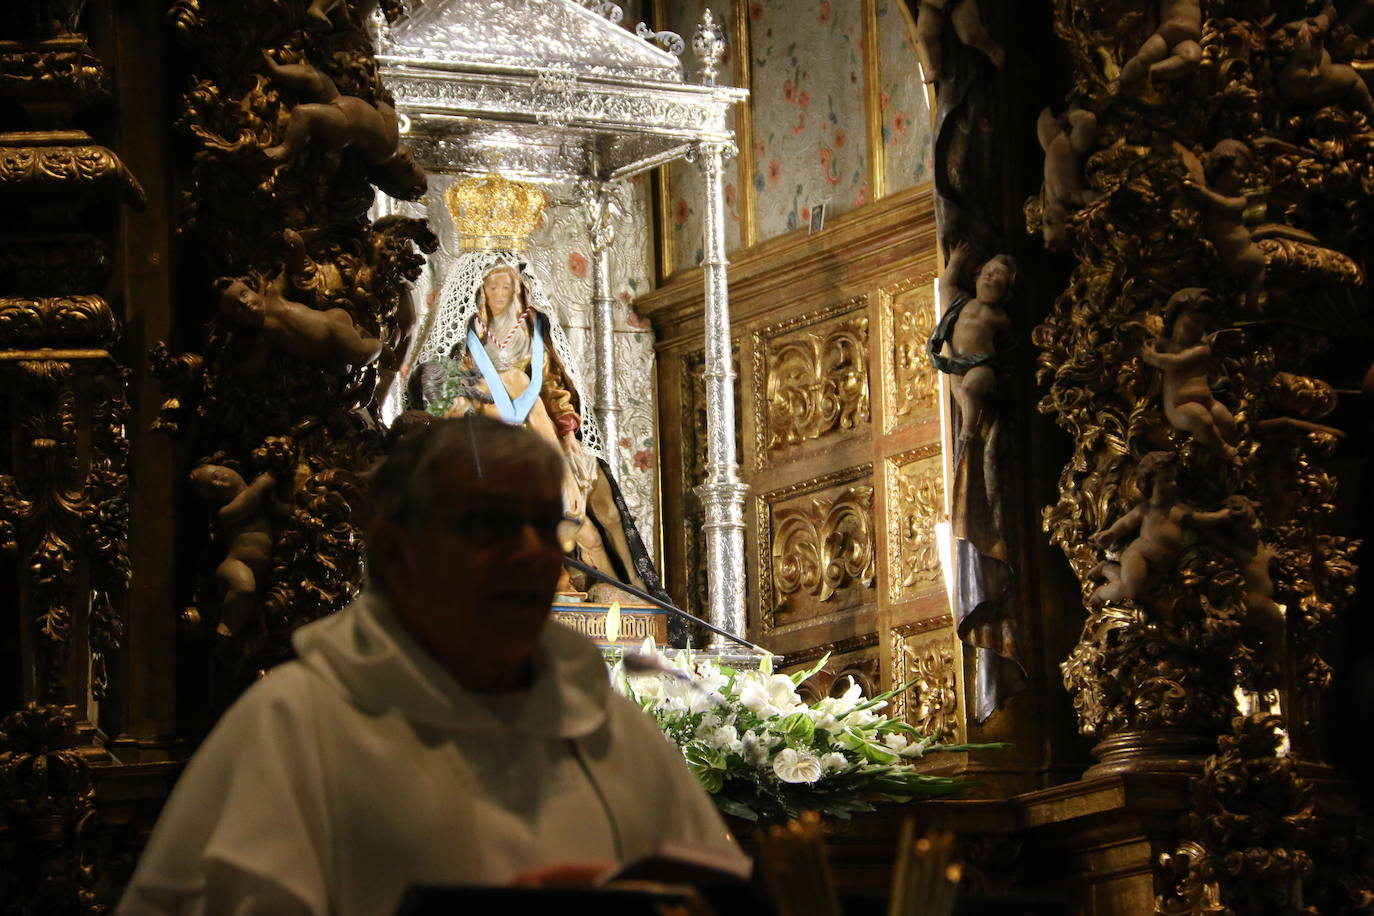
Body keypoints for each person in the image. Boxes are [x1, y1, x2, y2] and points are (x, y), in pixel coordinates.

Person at [119, 416, 747, 916]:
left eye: (544, 526)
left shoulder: (610, 731)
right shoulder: (294, 726)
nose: (533, 555)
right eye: (490, 526)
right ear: (395, 552)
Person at [408, 252, 662, 605]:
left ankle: (622, 588)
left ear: (518, 290)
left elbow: (547, 399)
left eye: (507, 286)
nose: (500, 294)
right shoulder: (463, 357)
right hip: (491, 461)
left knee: (589, 517)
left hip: (532, 450)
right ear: (478, 292)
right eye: (493, 286)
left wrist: (568, 442)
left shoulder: (526, 350)